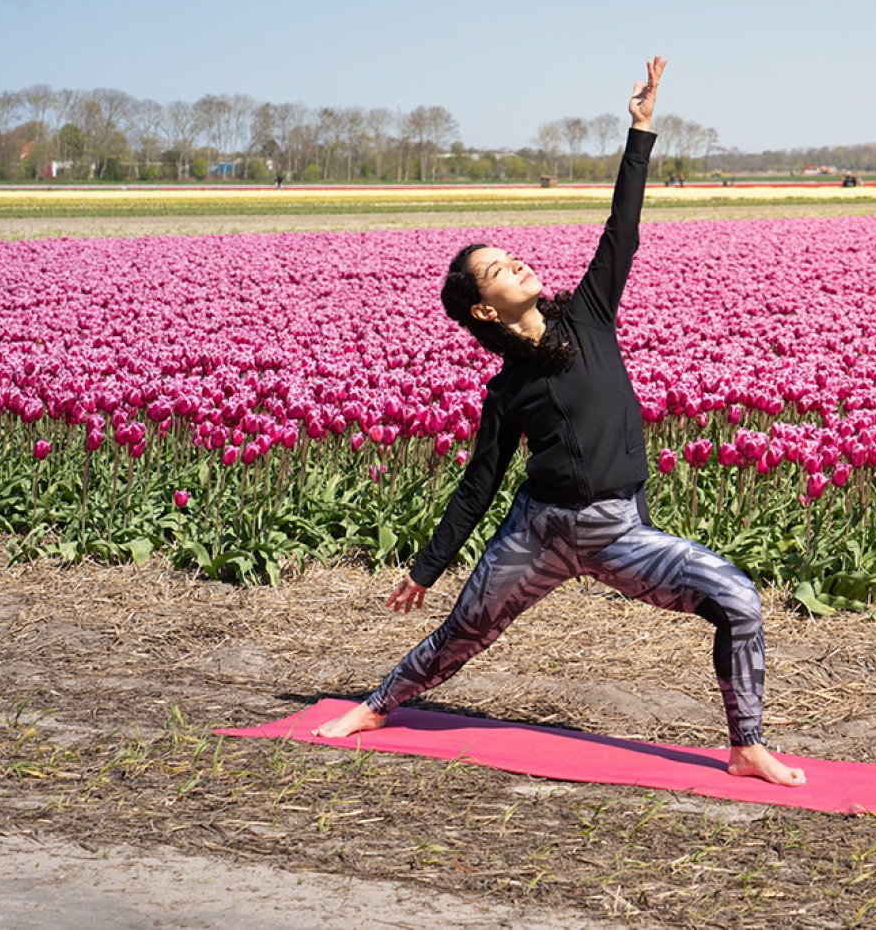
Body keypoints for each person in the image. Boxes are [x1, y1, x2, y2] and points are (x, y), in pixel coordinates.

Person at [315, 56, 805, 787]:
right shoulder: (506, 388)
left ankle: (746, 743)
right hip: (538, 532)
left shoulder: (591, 314)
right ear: (485, 309)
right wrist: (427, 567)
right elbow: (479, 484)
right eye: (500, 270)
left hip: (619, 533)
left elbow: (622, 229)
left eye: (512, 257)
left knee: (736, 595)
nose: (517, 266)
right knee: (464, 633)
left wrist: (639, 129)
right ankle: (378, 704)